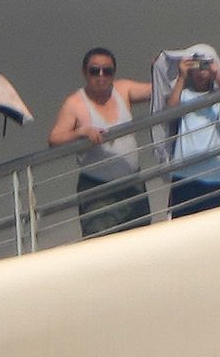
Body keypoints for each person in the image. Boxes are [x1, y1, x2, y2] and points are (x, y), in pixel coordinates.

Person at [52, 47, 151, 237]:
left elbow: (156, 89)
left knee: (141, 242)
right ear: (84, 72)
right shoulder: (75, 103)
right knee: (101, 245)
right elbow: (55, 138)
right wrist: (81, 132)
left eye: (107, 71)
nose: (101, 76)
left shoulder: (123, 89)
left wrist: (166, 66)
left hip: (133, 184)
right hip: (98, 190)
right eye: (94, 70)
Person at [154, 50, 220, 217]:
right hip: (184, 176)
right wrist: (181, 76)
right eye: (196, 66)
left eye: (205, 66)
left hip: (215, 176)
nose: (201, 72)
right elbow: (170, 112)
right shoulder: (183, 94)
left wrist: (218, 76)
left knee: (214, 229)